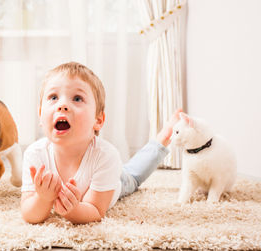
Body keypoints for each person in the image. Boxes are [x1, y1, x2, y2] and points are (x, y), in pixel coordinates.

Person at [20, 62, 182, 224]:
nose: (62, 105)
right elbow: (29, 214)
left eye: (77, 98)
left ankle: (162, 139)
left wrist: (72, 210)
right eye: (53, 97)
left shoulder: (106, 156)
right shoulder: (35, 154)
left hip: (114, 180)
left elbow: (95, 210)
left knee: (133, 175)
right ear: (40, 114)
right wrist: (42, 199)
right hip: (101, 173)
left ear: (98, 120)